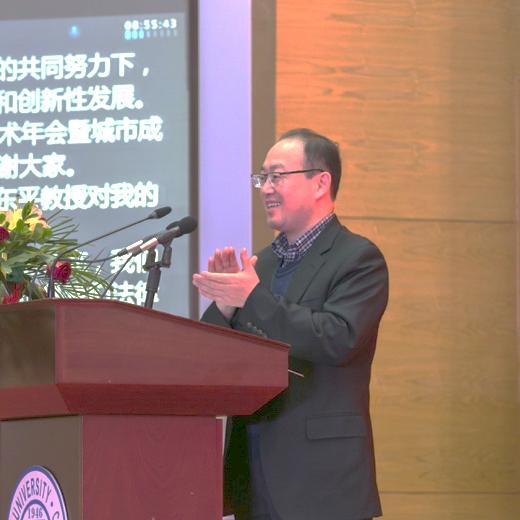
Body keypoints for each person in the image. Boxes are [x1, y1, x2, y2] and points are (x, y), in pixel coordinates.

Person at [193, 128, 389, 520]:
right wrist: (226, 308)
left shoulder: (358, 259)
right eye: (262, 177)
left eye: (277, 176)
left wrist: (251, 297)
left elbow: (338, 338)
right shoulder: (261, 264)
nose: (266, 188)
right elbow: (215, 361)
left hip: (322, 481)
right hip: (252, 475)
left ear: (321, 183)